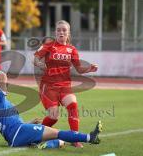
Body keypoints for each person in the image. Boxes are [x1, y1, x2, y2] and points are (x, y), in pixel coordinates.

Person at [0, 65, 102, 149]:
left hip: (15, 138)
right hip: (19, 132)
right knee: (57, 133)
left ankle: (43, 145)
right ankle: (89, 137)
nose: (6, 87)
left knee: (58, 140)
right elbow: (3, 76)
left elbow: (10, 125)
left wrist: (30, 122)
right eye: (2, 87)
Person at [33, 20, 98, 148]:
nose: (61, 32)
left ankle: (75, 139)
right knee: (53, 117)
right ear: (55, 32)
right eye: (58, 30)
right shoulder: (49, 45)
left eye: (64, 30)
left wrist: (89, 68)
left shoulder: (72, 49)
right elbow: (35, 58)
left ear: (68, 33)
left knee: (73, 105)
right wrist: (40, 63)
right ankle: (35, 134)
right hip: (49, 86)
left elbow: (78, 68)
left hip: (64, 85)